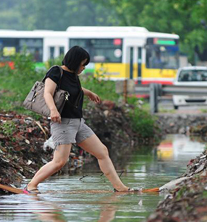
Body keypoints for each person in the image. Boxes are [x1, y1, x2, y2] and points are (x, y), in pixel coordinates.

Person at [24, 46, 134, 194]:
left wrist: (88, 92)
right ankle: (31, 185)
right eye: (82, 64)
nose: (83, 68)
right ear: (74, 61)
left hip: (77, 123)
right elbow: (48, 93)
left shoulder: (73, 75)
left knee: (102, 152)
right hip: (62, 123)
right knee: (60, 162)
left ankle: (120, 187)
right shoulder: (56, 72)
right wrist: (53, 110)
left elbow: (71, 90)